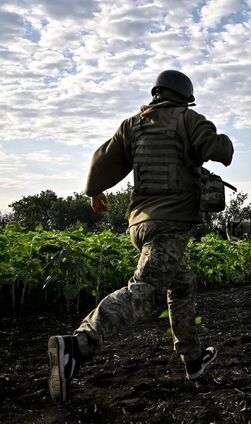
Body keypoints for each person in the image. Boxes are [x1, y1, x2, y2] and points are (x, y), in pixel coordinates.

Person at [47, 70, 234, 403]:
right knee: (145, 291)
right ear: (184, 96)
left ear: (157, 93)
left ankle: (192, 358)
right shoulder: (188, 119)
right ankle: (76, 345)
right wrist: (223, 144)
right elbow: (217, 150)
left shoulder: (131, 125)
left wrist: (95, 192)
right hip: (170, 223)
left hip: (140, 223)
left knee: (182, 283)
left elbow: (102, 160)